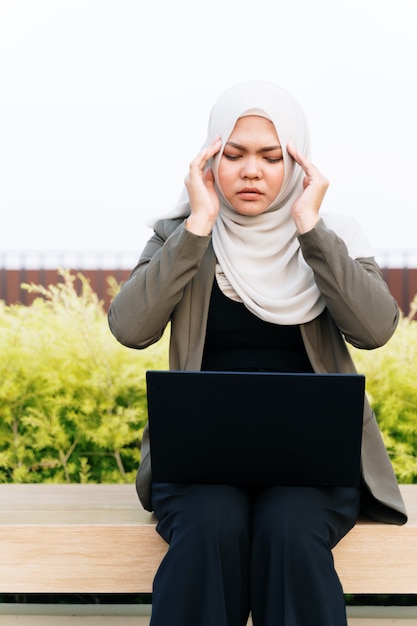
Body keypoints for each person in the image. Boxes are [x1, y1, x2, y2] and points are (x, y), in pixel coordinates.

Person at [108, 81, 407, 626]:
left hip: (311, 467)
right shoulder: (181, 234)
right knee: (208, 525)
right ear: (209, 160)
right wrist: (199, 225)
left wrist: (310, 229)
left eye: (272, 157)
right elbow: (130, 328)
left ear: (298, 164)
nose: (252, 171)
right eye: (234, 155)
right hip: (200, 466)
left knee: (289, 530)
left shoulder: (332, 233)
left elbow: (375, 328)